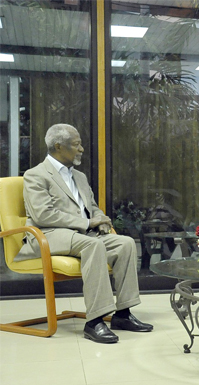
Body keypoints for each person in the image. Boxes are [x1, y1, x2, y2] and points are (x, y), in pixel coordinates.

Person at [15, 124, 153, 344]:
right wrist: (88, 222)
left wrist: (101, 221)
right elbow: (43, 215)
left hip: (82, 234)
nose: (81, 149)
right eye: (76, 144)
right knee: (93, 246)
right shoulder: (36, 175)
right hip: (49, 234)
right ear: (58, 146)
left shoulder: (79, 176)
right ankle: (95, 321)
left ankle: (123, 314)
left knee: (125, 243)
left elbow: (92, 206)